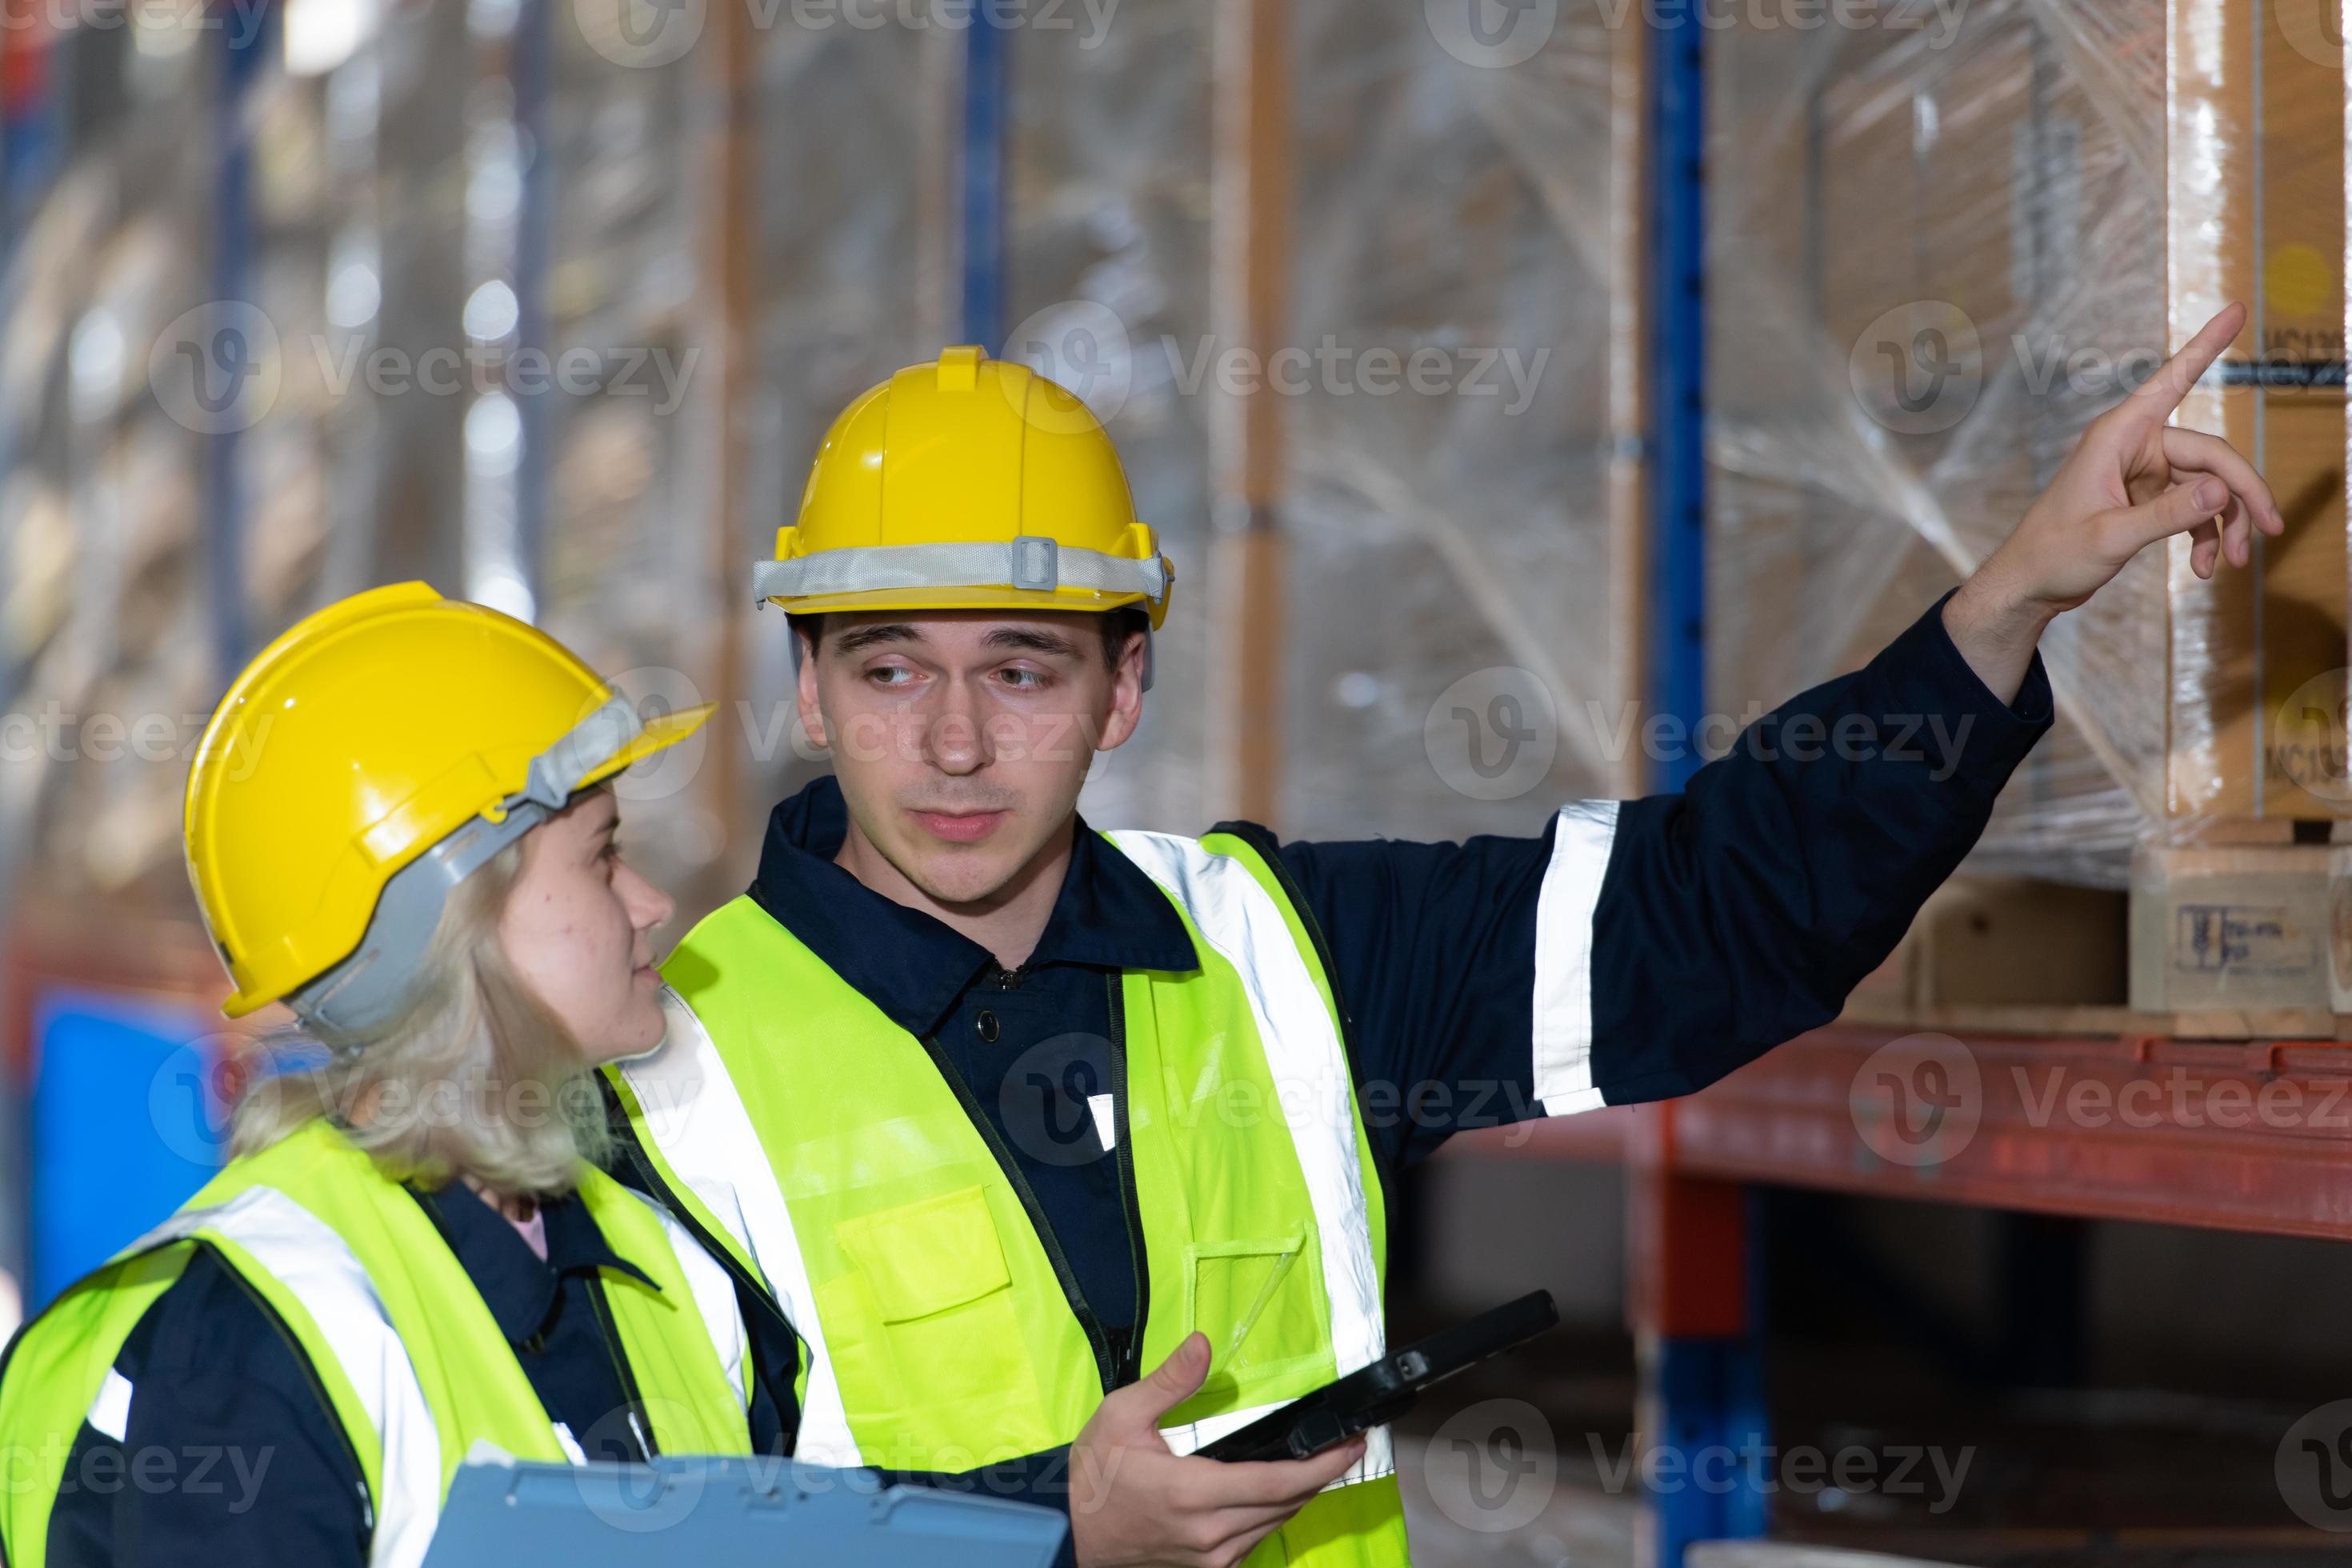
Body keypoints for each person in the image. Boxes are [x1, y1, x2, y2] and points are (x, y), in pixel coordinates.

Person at [606, 310, 2282, 1567]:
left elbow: (1713, 921)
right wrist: (1054, 1527)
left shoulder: (1278, 952)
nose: (956, 743)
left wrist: (2003, 605)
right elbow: (643, 1533)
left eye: (1024, 668)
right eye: (893, 668)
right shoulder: (662, 1061)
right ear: (811, 689)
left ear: (1126, 685)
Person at [0, 584, 755, 1568]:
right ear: (453, 920)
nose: (652, 903)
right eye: (603, 857)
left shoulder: (663, 1261)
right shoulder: (251, 1336)